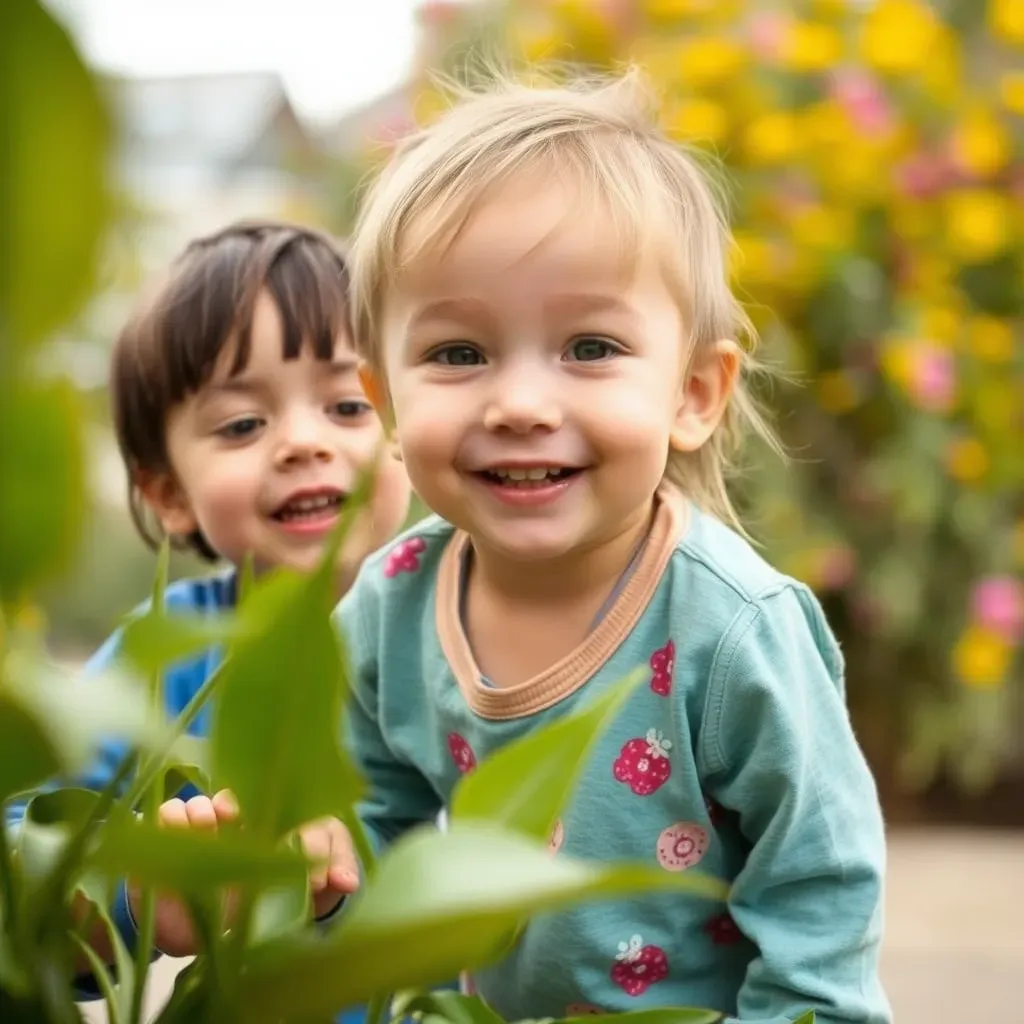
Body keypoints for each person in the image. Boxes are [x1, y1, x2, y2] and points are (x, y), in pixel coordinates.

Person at [338, 68, 891, 1024]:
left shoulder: (733, 631)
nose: (520, 405)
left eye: (589, 348)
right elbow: (365, 830)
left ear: (693, 394)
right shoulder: (393, 603)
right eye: (458, 354)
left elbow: (821, 897)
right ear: (385, 401)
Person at [4, 221, 411, 1018]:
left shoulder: (472, 627)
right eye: (242, 425)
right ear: (167, 492)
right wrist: (138, 896)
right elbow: (25, 854)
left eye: (348, 404)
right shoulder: (167, 653)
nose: (303, 442)